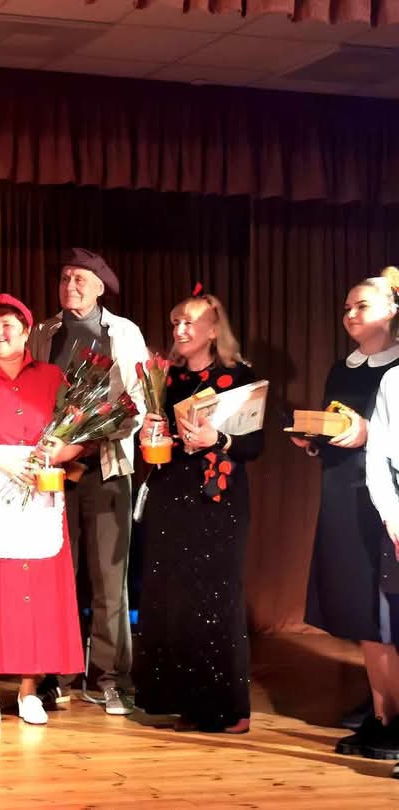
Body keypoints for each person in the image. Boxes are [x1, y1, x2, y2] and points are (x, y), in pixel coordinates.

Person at [0, 294, 84, 726]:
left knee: (34, 589)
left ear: (26, 333)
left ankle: (28, 690)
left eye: (8, 325)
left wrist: (62, 451)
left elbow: (80, 435)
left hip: (39, 491)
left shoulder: (52, 377)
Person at [133, 292, 262, 734]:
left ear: (213, 329)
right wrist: (151, 434)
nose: (180, 330)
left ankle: (229, 709)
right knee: (173, 597)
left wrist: (217, 439)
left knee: (215, 600)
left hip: (217, 501)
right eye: (176, 323)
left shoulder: (238, 377)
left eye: (189, 322)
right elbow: (159, 445)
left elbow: (254, 445)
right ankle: (183, 701)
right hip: (171, 495)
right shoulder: (166, 379)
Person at [28, 248, 146, 715]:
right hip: (54, 472)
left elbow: (136, 403)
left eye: (80, 279)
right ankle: (57, 675)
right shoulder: (43, 333)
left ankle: (109, 678)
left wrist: (84, 440)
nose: (70, 286)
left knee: (108, 580)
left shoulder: (124, 333)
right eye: (64, 277)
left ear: (100, 286)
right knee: (57, 574)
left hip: (107, 469)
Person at [346, 270, 399, 766]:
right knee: (389, 624)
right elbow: (379, 455)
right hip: (395, 518)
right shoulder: (392, 381)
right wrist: (392, 516)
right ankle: (389, 720)